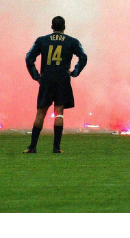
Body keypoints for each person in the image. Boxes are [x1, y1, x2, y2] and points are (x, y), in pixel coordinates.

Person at [24, 16, 88, 154]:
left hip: (46, 78)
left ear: (51, 26)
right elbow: (83, 57)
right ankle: (56, 148)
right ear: (64, 27)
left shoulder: (42, 40)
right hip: (62, 78)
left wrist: (36, 76)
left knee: (41, 112)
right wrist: (75, 72)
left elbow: (29, 58)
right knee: (59, 113)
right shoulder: (72, 41)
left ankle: (32, 147)